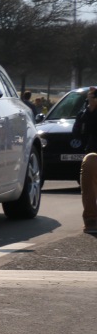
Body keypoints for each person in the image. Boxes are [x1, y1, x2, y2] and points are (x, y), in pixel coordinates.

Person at [75, 87, 97, 234]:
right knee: (90, 161)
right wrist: (91, 108)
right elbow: (78, 131)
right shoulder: (88, 112)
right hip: (95, 152)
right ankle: (92, 218)